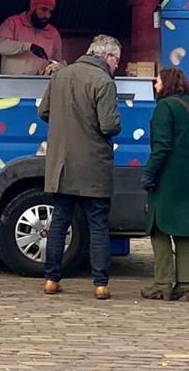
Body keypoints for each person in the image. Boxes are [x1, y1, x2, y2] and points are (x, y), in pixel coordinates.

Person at [37, 34, 122, 300]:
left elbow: (43, 112)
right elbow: (109, 125)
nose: (117, 66)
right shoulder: (103, 81)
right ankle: (100, 284)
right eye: (117, 60)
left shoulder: (61, 76)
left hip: (62, 164)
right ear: (106, 56)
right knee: (97, 224)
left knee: (59, 221)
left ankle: (51, 279)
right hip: (93, 164)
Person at [140, 68, 189, 302]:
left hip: (168, 178)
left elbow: (161, 146)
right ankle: (187, 285)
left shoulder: (165, 107)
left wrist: (149, 173)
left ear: (167, 83)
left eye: (158, 81)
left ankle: (163, 284)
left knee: (158, 228)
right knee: (185, 231)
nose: (155, 85)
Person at [0, 0, 64, 75]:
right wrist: (28, 47)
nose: (47, 16)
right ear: (32, 7)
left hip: (39, 83)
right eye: (43, 9)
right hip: (12, 82)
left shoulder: (53, 33)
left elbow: (56, 60)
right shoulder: (13, 23)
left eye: (50, 11)